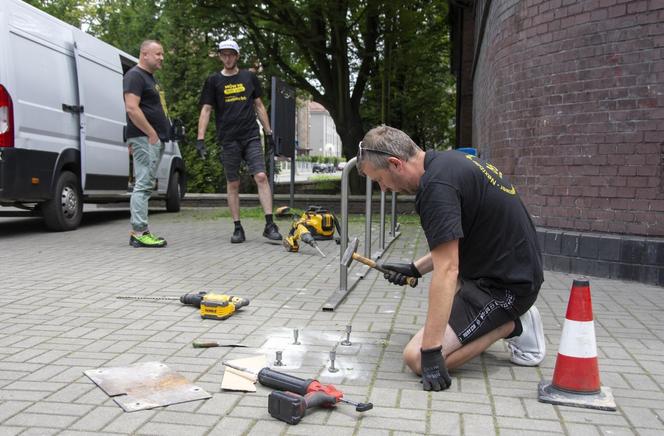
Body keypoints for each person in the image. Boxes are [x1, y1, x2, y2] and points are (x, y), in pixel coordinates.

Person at [357, 125, 545, 392]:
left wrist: (432, 352)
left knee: (416, 358)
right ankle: (496, 320)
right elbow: (456, 240)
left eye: (379, 180)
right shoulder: (447, 164)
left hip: (507, 288)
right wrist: (415, 269)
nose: (384, 189)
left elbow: (447, 268)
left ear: (395, 163)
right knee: (442, 310)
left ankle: (513, 324)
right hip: (502, 271)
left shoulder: (436, 188)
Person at [196, 38, 281, 243]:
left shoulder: (248, 77)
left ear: (237, 56)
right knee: (233, 183)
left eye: (231, 54)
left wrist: (269, 133)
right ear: (220, 56)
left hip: (250, 135)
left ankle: (270, 225)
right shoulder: (213, 81)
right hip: (228, 139)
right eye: (224, 54)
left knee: (261, 176)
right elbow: (206, 109)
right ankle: (237, 228)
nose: (227, 58)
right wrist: (200, 139)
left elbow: (259, 106)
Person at [124, 40, 171, 248]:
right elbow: (132, 108)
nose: (162, 57)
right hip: (145, 138)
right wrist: (151, 133)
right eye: (158, 54)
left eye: (162, 54)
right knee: (143, 183)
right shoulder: (134, 76)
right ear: (144, 54)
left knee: (145, 183)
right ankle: (139, 232)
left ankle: (140, 230)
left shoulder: (149, 78)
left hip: (150, 138)